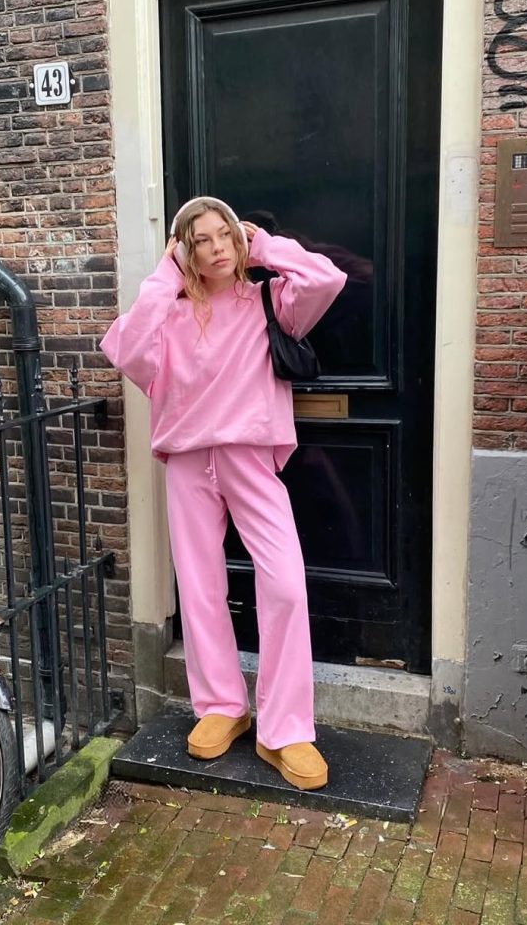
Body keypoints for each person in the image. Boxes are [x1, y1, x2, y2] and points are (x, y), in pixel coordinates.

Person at [99, 196, 347, 790]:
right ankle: (221, 705)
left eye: (225, 235)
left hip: (249, 458)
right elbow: (125, 350)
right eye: (200, 240)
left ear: (239, 239)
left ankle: (285, 729)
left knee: (284, 583)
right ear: (184, 250)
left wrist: (266, 248)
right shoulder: (169, 313)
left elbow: (326, 278)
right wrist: (165, 275)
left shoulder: (268, 300)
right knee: (200, 586)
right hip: (187, 461)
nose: (216, 248)